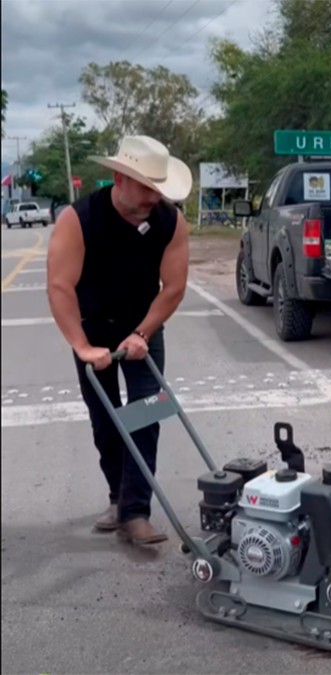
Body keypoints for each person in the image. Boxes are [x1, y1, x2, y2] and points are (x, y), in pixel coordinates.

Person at [46, 135, 193, 546]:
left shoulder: (169, 222)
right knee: (106, 421)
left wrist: (143, 332)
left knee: (146, 414)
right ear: (118, 179)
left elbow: (173, 288)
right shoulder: (80, 220)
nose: (153, 197)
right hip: (92, 329)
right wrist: (81, 346)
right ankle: (117, 495)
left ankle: (135, 513)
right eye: (146, 187)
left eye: (158, 188)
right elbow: (60, 286)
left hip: (143, 327)